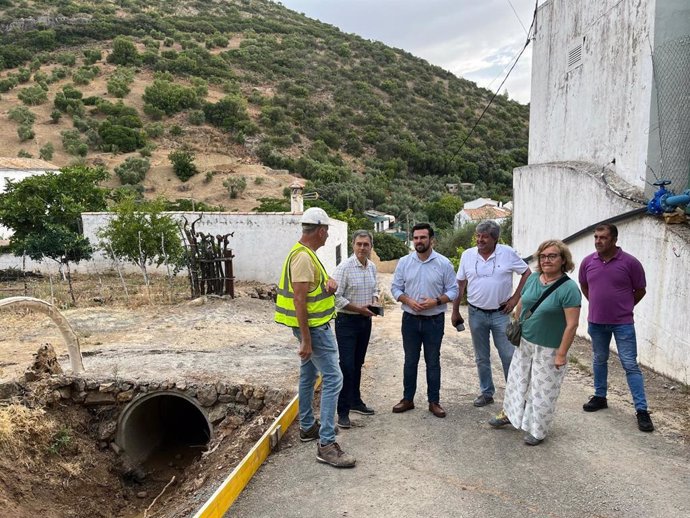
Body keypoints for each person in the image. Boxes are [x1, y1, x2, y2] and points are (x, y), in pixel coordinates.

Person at [274, 207, 356, 468]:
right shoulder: (303, 258)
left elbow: (309, 290)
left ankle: (308, 426)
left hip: (314, 327)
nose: (327, 235)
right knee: (333, 378)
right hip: (315, 330)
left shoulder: (306, 255)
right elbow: (299, 300)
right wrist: (306, 340)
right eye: (327, 230)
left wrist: (328, 284)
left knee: (308, 375)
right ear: (320, 230)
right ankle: (326, 444)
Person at [488, 240, 581, 445]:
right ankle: (511, 415)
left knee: (543, 389)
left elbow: (572, 325)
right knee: (517, 381)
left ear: (563, 259)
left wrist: (561, 353)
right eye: (543, 256)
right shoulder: (533, 279)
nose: (546, 260)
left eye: (552, 256)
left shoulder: (569, 289)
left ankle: (537, 429)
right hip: (525, 342)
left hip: (550, 347)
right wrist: (516, 324)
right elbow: (522, 303)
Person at [578, 223, 654, 432]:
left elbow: (640, 290)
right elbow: (585, 286)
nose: (598, 241)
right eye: (595, 237)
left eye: (602, 238)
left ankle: (642, 410)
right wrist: (596, 304)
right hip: (596, 322)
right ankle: (600, 396)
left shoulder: (630, 263)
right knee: (599, 359)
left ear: (614, 240)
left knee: (630, 364)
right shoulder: (588, 262)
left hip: (623, 324)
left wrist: (624, 306)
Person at [451, 220, 531, 407]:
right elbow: (460, 284)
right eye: (478, 236)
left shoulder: (507, 253)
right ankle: (487, 393)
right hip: (475, 313)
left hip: (500, 314)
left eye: (484, 237)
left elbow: (527, 273)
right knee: (481, 356)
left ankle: (516, 396)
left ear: (495, 239)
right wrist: (455, 311)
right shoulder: (467, 255)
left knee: (508, 355)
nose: (480, 240)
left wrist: (515, 299)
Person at [391, 223, 458, 418]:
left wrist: (436, 301)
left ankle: (434, 401)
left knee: (433, 361)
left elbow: (453, 290)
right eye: (416, 238)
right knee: (410, 361)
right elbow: (395, 288)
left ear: (432, 240)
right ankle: (407, 399)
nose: (419, 241)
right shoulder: (404, 262)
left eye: (423, 238)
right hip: (410, 320)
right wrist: (408, 301)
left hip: (434, 321)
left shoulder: (444, 263)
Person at [332, 230, 380, 429]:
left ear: (370, 246)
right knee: (347, 366)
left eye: (366, 244)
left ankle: (355, 401)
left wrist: (375, 301)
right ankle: (342, 411)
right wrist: (358, 309)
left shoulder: (372, 268)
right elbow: (336, 298)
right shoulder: (344, 268)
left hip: (364, 322)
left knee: (358, 363)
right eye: (359, 244)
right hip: (347, 322)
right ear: (353, 245)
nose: (362, 248)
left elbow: (375, 289)